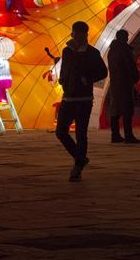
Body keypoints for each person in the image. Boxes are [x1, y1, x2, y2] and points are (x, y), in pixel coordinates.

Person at [55, 21, 108, 181]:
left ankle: (78, 167)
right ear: (73, 34)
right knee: (61, 131)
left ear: (85, 35)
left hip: (84, 99)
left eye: (81, 34)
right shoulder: (67, 51)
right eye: (75, 33)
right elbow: (65, 69)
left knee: (81, 133)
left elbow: (103, 72)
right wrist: (63, 80)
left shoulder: (92, 53)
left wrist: (87, 78)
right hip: (68, 97)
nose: (77, 37)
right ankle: (80, 158)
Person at [106, 29, 140, 144]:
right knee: (127, 109)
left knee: (115, 109)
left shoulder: (112, 50)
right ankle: (128, 135)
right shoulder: (124, 50)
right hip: (125, 83)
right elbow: (130, 65)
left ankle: (115, 134)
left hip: (115, 82)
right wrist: (135, 76)